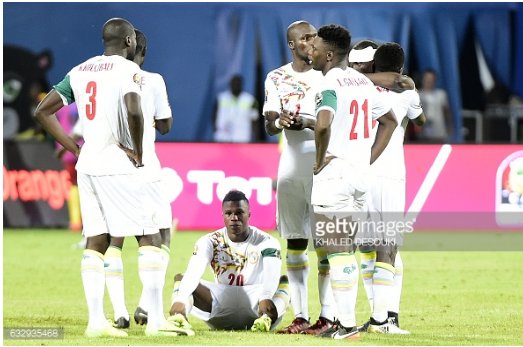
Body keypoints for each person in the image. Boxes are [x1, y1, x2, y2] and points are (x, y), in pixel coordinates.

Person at [34, 17, 179, 338]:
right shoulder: (129, 71)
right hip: (119, 165)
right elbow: (133, 107)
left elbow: (42, 111)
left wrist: (75, 147)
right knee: (150, 238)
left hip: (88, 166)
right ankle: (155, 322)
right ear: (129, 42)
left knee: (96, 241)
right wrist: (139, 152)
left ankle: (96, 322)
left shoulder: (80, 69)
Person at [309, 24, 397, 339]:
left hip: (335, 176)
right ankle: (344, 322)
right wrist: (366, 158)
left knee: (337, 250)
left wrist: (319, 160)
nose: (311, 50)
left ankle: (346, 324)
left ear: (329, 54)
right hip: (360, 176)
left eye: (316, 47)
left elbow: (322, 124)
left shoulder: (328, 84)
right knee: (346, 247)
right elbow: (389, 121)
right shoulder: (362, 81)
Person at [263, 20, 336, 335]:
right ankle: (301, 316)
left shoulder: (328, 76)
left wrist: (306, 122)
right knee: (295, 240)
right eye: (305, 38)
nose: (312, 42)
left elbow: (332, 122)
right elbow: (268, 123)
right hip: (291, 166)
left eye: (314, 37)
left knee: (325, 243)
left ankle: (328, 315)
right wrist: (279, 120)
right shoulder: (276, 77)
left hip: (323, 164)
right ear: (292, 44)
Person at [351, 42, 426, 334]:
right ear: (401, 67)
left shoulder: (359, 88)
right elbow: (420, 119)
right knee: (389, 248)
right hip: (390, 175)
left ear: (371, 65)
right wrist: (412, 92)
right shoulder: (407, 92)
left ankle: (379, 316)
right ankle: (383, 320)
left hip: (360, 173)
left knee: (369, 248)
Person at [103, 29, 174, 330]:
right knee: (161, 237)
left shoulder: (102, 79)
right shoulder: (153, 80)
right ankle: (146, 304)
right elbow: (166, 125)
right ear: (141, 50)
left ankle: (118, 311)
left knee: (113, 240)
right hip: (145, 169)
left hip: (110, 169)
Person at [168, 190, 289, 334]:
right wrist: (181, 299)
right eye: (229, 213)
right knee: (182, 279)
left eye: (239, 212)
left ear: (248, 214)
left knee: (286, 280)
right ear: (223, 216)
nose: (234, 218)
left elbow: (272, 272)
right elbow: (194, 271)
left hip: (258, 306)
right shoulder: (210, 241)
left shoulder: (266, 241)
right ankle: (179, 317)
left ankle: (265, 320)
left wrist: (266, 296)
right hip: (219, 305)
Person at [214, 74, 258, 143]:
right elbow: (214, 116)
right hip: (222, 137)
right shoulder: (221, 98)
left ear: (242, 84)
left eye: (238, 83)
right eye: (234, 83)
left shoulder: (250, 100)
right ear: (230, 84)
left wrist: (254, 137)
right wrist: (216, 129)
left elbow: (255, 120)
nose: (235, 85)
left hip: (242, 137)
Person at [418, 68, 452, 143]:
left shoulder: (441, 94)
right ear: (423, 79)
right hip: (423, 132)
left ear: (435, 80)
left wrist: (449, 127)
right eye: (427, 78)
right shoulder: (417, 95)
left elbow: (446, 112)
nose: (428, 81)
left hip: (439, 132)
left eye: (431, 79)